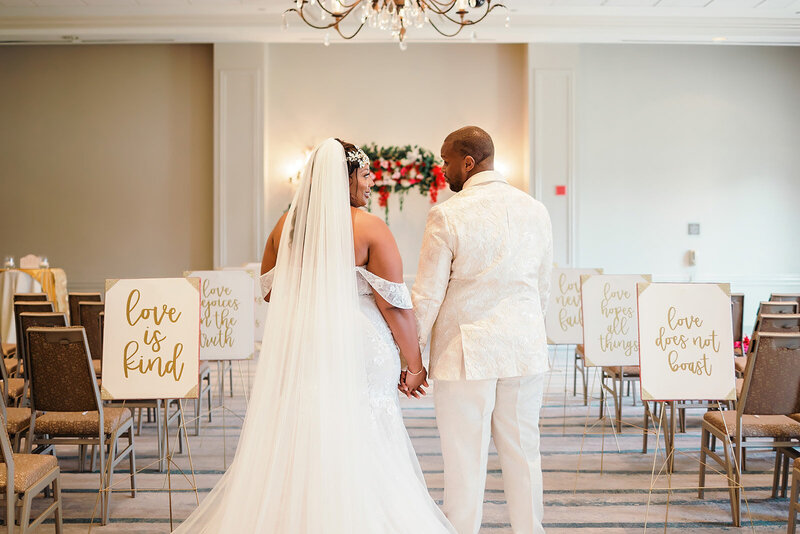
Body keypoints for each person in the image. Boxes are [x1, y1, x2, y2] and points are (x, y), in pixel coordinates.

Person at [173, 138, 454, 533]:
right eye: (367, 173)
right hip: (359, 344)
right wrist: (415, 364)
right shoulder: (370, 228)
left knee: (306, 424)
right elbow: (393, 306)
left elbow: (270, 290)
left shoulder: (284, 227)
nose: (372, 182)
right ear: (347, 177)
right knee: (365, 429)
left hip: (301, 341)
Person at [411, 126, 553, 534]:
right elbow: (542, 287)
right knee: (525, 455)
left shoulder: (447, 214)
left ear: (468, 162)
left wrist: (412, 357)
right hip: (524, 350)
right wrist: (527, 331)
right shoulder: (536, 210)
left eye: (446, 160)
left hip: (465, 353)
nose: (442, 169)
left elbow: (427, 296)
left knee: (464, 461)